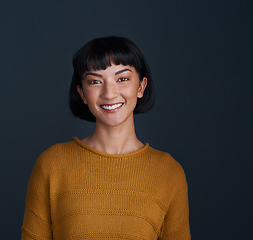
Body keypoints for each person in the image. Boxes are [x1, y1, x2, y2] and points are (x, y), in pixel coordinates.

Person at [21, 36, 191, 240]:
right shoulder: (51, 165)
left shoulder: (169, 173)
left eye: (122, 79)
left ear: (141, 87)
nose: (109, 93)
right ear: (82, 93)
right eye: (95, 81)